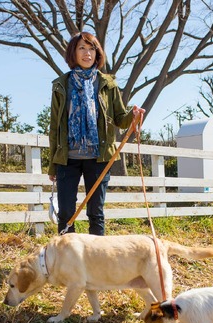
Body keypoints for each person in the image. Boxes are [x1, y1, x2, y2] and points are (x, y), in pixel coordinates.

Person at [48, 32, 145, 235]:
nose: (87, 53)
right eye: (82, 48)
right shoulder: (60, 85)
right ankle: (67, 262)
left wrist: (133, 115)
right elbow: (54, 128)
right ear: (73, 53)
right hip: (67, 158)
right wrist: (52, 166)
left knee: (96, 212)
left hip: (99, 157)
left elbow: (120, 118)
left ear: (98, 53)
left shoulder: (107, 84)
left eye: (92, 48)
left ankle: (96, 261)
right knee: (66, 212)